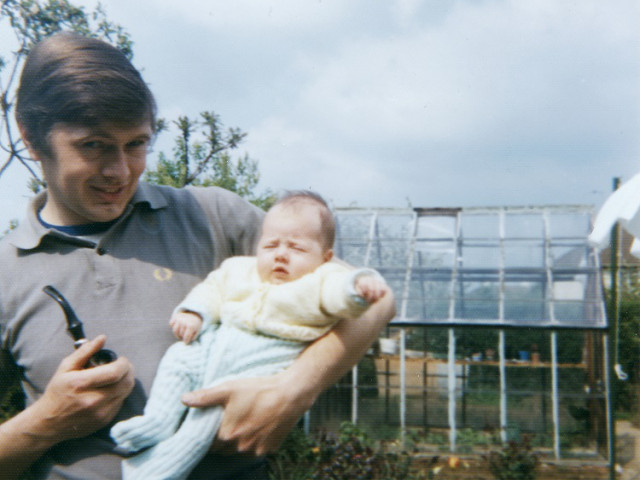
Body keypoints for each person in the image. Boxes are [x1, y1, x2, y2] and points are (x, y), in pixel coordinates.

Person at [0, 32, 395, 480]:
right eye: (93, 145)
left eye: (136, 144)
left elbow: (375, 299)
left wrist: (293, 391)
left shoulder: (211, 215)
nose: (120, 171)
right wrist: (45, 423)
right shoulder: (5, 271)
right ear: (32, 141)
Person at [110, 191, 388, 479]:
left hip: (260, 366)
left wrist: (357, 290)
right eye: (270, 245)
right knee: (178, 358)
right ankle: (158, 420)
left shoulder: (321, 279)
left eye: (296, 248)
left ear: (325, 257)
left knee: (209, 418)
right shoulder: (238, 269)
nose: (280, 254)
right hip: (213, 345)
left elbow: (338, 294)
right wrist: (194, 312)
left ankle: (161, 469)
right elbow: (212, 290)